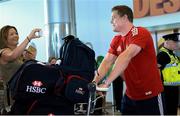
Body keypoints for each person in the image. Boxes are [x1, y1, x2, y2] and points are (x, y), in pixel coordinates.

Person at [92, 5, 164, 115]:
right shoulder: (116, 40)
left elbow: (126, 56)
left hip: (150, 96)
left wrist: (106, 83)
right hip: (130, 96)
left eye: (113, 17)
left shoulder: (140, 32)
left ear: (125, 17)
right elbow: (107, 62)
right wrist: (94, 82)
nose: (111, 21)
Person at [0, 25, 41, 110]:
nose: (15, 35)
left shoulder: (21, 53)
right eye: (11, 34)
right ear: (4, 38)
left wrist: (30, 59)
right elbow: (12, 55)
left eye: (16, 33)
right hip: (12, 98)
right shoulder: (3, 52)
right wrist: (29, 37)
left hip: (23, 94)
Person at [157, 33, 180, 115]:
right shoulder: (162, 55)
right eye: (175, 42)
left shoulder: (174, 55)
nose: (177, 44)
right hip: (166, 90)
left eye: (177, 42)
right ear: (167, 42)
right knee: (168, 112)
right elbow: (155, 71)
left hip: (174, 89)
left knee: (173, 111)